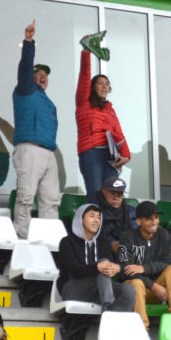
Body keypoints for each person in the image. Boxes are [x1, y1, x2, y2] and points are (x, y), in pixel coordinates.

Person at [12, 19, 60, 239]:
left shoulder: (48, 101)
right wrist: (29, 42)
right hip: (29, 149)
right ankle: (21, 237)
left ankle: (48, 241)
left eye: (46, 75)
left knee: (51, 200)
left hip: (49, 153)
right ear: (30, 77)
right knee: (26, 197)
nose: (43, 76)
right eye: (38, 72)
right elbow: (24, 66)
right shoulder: (24, 89)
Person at [118, 201, 171, 329]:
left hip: (156, 293)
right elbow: (125, 271)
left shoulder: (163, 235)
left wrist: (144, 268)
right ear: (139, 221)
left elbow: (169, 262)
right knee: (135, 282)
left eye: (156, 218)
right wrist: (153, 285)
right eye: (148, 218)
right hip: (133, 292)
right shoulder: (127, 237)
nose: (154, 222)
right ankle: (141, 328)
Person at [75, 37, 130, 200]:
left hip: (110, 157)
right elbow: (85, 75)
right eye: (101, 83)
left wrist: (126, 155)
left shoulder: (110, 110)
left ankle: (109, 226)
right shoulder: (83, 101)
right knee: (96, 195)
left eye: (107, 83)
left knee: (112, 196)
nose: (105, 86)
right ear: (92, 87)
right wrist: (86, 52)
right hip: (91, 153)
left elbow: (118, 134)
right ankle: (93, 225)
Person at [57, 204, 135, 312]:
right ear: (81, 219)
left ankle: (112, 324)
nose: (96, 220)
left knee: (128, 290)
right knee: (103, 264)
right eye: (92, 216)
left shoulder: (102, 242)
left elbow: (109, 267)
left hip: (98, 290)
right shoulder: (67, 242)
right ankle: (108, 306)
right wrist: (97, 267)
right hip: (72, 289)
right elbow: (74, 271)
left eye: (99, 217)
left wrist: (116, 268)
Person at [91, 176, 136, 253]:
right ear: (103, 193)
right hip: (100, 251)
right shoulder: (93, 210)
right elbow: (95, 235)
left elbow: (136, 234)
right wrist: (113, 244)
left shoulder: (129, 211)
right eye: (113, 193)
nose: (116, 198)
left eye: (120, 194)